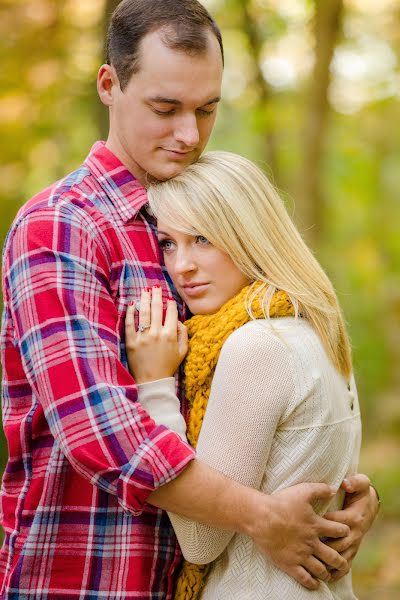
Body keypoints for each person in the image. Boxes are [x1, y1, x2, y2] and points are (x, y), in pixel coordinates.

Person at [0, 1, 378, 598]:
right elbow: (99, 434)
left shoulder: (203, 219)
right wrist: (262, 516)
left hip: (196, 581)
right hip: (90, 577)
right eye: (165, 108)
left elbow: (269, 389)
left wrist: (344, 491)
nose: (187, 134)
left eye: (206, 110)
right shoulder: (60, 226)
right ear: (109, 84)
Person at [125, 150, 365, 599]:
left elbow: (199, 542)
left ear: (249, 235)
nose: (182, 266)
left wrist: (155, 384)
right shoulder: (314, 326)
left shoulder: (256, 345)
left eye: (203, 239)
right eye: (168, 243)